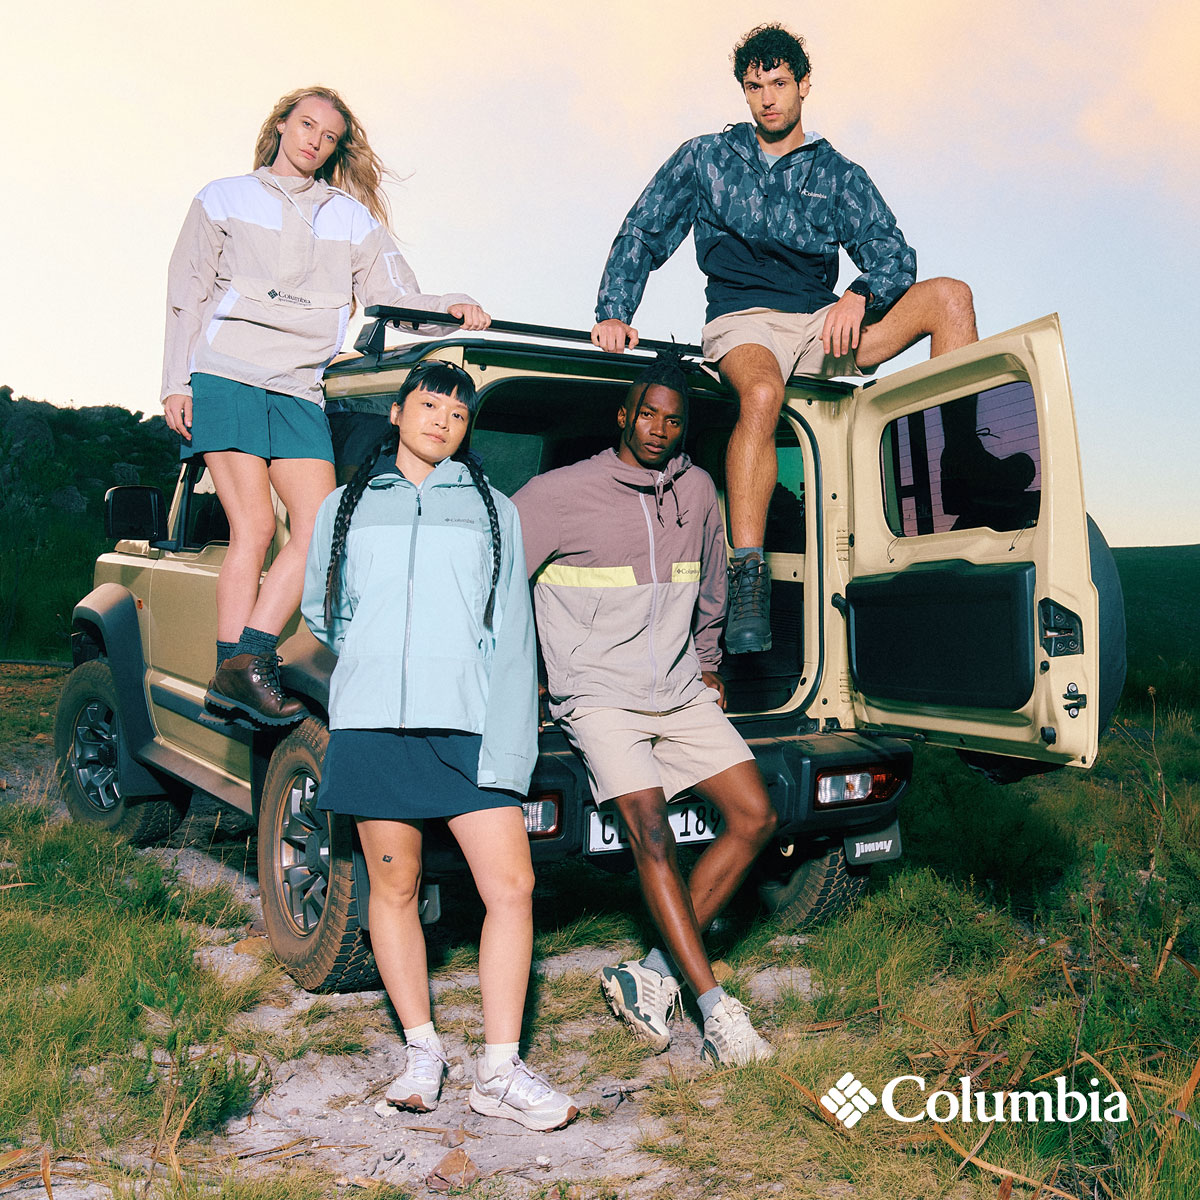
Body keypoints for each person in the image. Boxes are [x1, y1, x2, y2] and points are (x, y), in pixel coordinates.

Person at [591, 24, 1030, 653]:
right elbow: (643, 229)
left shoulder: (838, 174)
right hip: (743, 321)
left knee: (950, 297)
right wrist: (614, 310)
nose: (767, 98)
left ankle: (958, 467)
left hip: (822, 323)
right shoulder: (706, 158)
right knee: (762, 393)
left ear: (803, 85)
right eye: (754, 87)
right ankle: (748, 578)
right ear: (744, 92)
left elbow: (893, 256)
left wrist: (859, 294)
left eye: (779, 83)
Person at [301, 360, 578, 1132]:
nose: (443, 423)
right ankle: (422, 1053)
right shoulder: (344, 507)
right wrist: (379, 662)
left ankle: (500, 1070)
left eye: (458, 415)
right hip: (373, 723)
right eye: (429, 406)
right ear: (397, 412)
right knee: (394, 888)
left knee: (511, 886)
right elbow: (325, 609)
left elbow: (513, 633)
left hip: (465, 723)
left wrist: (509, 740)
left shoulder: (494, 510)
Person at [161, 85, 490, 725]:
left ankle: (242, 664)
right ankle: (237, 668)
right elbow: (186, 291)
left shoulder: (351, 219)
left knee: (317, 528)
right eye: (307, 125)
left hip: (298, 386)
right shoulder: (224, 197)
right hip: (227, 373)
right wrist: (176, 382)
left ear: (338, 148)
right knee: (255, 527)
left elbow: (394, 296)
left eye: (330, 135)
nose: (315, 140)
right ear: (282, 125)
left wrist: (449, 307)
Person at [512, 353, 779, 1067]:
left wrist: (710, 663)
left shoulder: (699, 489)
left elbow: (713, 585)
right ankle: (717, 1011)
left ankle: (652, 972)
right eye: (647, 414)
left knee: (756, 816)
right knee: (652, 833)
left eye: (673, 419)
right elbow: (497, 584)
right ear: (623, 416)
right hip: (598, 694)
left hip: (679, 688)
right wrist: (524, 674)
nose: (659, 428)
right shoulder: (556, 494)